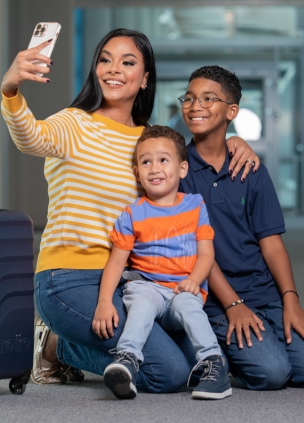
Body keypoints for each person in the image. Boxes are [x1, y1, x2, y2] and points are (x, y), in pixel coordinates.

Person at [0, 29, 259, 392]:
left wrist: (233, 140)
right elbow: (30, 136)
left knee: (196, 364)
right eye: (105, 59)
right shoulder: (75, 123)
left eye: (128, 61)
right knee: (166, 373)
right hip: (69, 277)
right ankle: (58, 347)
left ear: (145, 78)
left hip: (133, 281)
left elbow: (183, 168)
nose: (113, 69)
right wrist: (11, 89)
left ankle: (74, 343)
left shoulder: (150, 138)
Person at [178, 65, 304, 390]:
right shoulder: (178, 172)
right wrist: (234, 306)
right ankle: (217, 349)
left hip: (265, 295)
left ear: (231, 111)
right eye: (190, 98)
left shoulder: (252, 171)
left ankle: (256, 340)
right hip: (216, 301)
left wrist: (291, 301)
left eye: (209, 98)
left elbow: (272, 244)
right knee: (273, 372)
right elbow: (196, 252)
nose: (195, 106)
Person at [93, 125, 230, 401]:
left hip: (182, 289)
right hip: (148, 287)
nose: (154, 168)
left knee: (188, 305)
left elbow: (206, 254)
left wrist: (194, 279)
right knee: (141, 300)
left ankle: (215, 365)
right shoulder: (132, 213)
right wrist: (104, 301)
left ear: (182, 169)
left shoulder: (194, 205)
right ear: (137, 173)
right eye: (146, 162)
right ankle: (128, 360)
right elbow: (116, 263)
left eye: (163, 160)